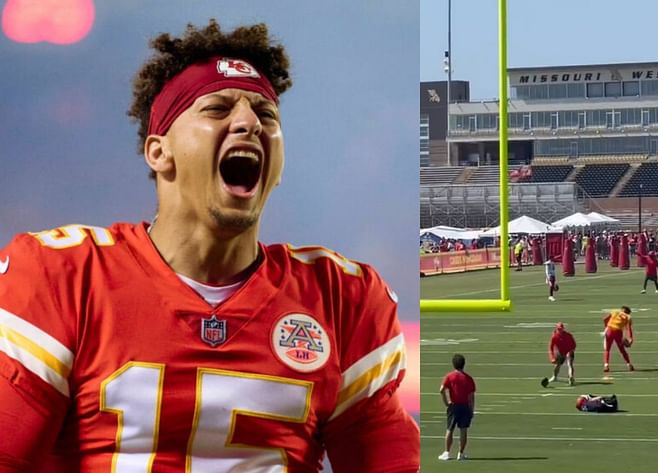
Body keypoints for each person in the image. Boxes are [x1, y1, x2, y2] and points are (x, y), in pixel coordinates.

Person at [0, 20, 419, 472]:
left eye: (267, 114)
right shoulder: (62, 275)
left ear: (278, 167)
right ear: (159, 152)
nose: (249, 122)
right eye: (218, 108)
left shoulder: (341, 297)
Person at [439, 354, 476, 462]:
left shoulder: (449, 376)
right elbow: (471, 396)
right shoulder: (468, 378)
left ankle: (447, 452)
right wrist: (471, 409)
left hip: (454, 406)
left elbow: (441, 390)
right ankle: (461, 453)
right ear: (464, 364)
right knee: (463, 430)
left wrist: (446, 402)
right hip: (465, 407)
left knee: (449, 429)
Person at [541, 322, 576, 387]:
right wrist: (552, 358)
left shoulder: (568, 335)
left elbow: (574, 344)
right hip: (561, 352)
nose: (560, 330)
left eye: (561, 329)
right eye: (559, 329)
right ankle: (555, 376)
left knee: (570, 365)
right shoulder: (554, 337)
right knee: (558, 365)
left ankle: (571, 378)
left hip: (568, 351)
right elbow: (551, 347)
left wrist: (571, 350)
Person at [603, 306, 634, 372]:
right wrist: (630, 338)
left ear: (622, 309)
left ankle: (606, 365)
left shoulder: (615, 311)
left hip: (610, 330)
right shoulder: (628, 317)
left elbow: (605, 319)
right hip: (618, 332)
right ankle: (629, 364)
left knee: (607, 349)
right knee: (622, 349)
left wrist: (606, 326)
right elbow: (629, 328)